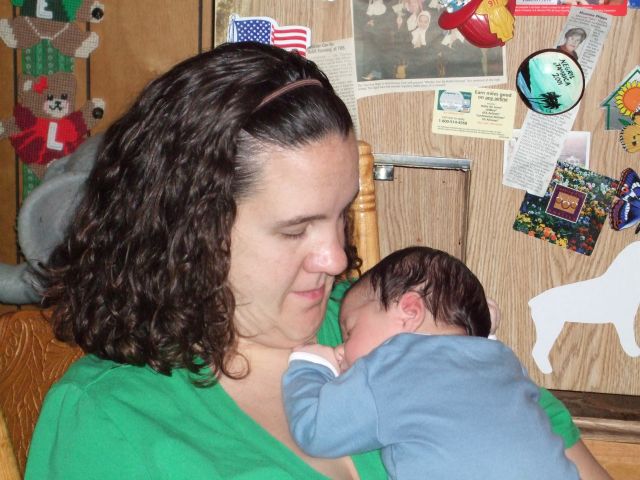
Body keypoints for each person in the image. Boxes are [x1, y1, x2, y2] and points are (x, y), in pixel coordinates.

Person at [24, 41, 610, 479]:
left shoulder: (390, 326)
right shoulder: (110, 420)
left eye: (340, 215)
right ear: (188, 231)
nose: (336, 258)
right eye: (294, 230)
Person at [283, 246, 580, 479]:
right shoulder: (502, 359)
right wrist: (483, 331)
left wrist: (311, 365)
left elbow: (316, 431)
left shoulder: (389, 368)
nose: (342, 348)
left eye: (350, 331)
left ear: (410, 311)